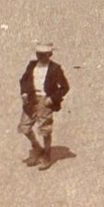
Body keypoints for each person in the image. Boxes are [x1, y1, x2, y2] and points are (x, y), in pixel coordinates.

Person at [18, 42, 68, 170]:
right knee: (25, 127)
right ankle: (37, 147)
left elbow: (64, 87)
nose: (39, 57)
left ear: (49, 54)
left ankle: (47, 155)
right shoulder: (32, 65)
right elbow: (23, 80)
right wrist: (24, 93)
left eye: (43, 54)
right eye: (38, 54)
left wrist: (52, 99)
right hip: (31, 99)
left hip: (45, 100)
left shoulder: (55, 68)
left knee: (45, 129)